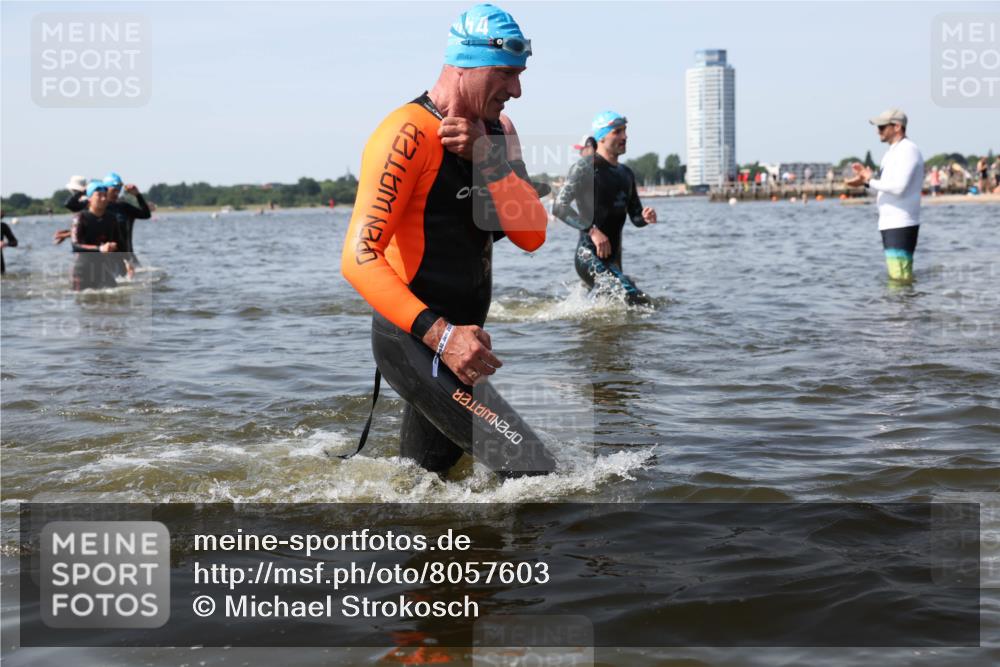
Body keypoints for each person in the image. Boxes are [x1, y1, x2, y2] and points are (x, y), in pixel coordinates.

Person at [339, 3, 556, 478]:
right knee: (534, 470)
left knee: (424, 488)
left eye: (520, 75)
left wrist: (487, 157)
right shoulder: (405, 134)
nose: (516, 90)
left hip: (463, 340)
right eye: (505, 74)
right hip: (414, 339)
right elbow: (359, 258)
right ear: (467, 66)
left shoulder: (498, 132)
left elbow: (532, 234)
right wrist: (443, 336)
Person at [553, 110, 658, 305]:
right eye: (617, 132)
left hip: (614, 259)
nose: (624, 136)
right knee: (635, 300)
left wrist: (645, 217)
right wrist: (591, 230)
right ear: (601, 138)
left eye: (625, 131)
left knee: (622, 308)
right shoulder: (585, 167)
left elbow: (635, 217)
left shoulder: (626, 173)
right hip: (588, 255)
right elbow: (559, 207)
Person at [845, 108, 924, 282]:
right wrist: (864, 181)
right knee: (897, 278)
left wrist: (869, 179)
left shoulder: (908, 150)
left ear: (897, 127)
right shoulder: (891, 153)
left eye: (881, 127)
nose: (877, 131)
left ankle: (903, 308)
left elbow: (898, 188)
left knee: (900, 278)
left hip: (901, 222)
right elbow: (883, 188)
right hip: (890, 223)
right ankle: (902, 308)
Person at [70, 180, 124, 290]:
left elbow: (119, 244)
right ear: (89, 198)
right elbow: (75, 246)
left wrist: (126, 263)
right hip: (82, 269)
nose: (103, 199)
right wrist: (99, 249)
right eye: (99, 195)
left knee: (117, 299)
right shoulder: (80, 217)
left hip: (103, 268)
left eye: (105, 195)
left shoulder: (111, 218)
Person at [103, 172, 152, 277]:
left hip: (128, 255)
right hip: (109, 258)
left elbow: (146, 214)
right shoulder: (100, 210)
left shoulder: (124, 207)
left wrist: (138, 195)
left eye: (118, 189)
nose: (116, 192)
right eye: (114, 190)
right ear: (105, 189)